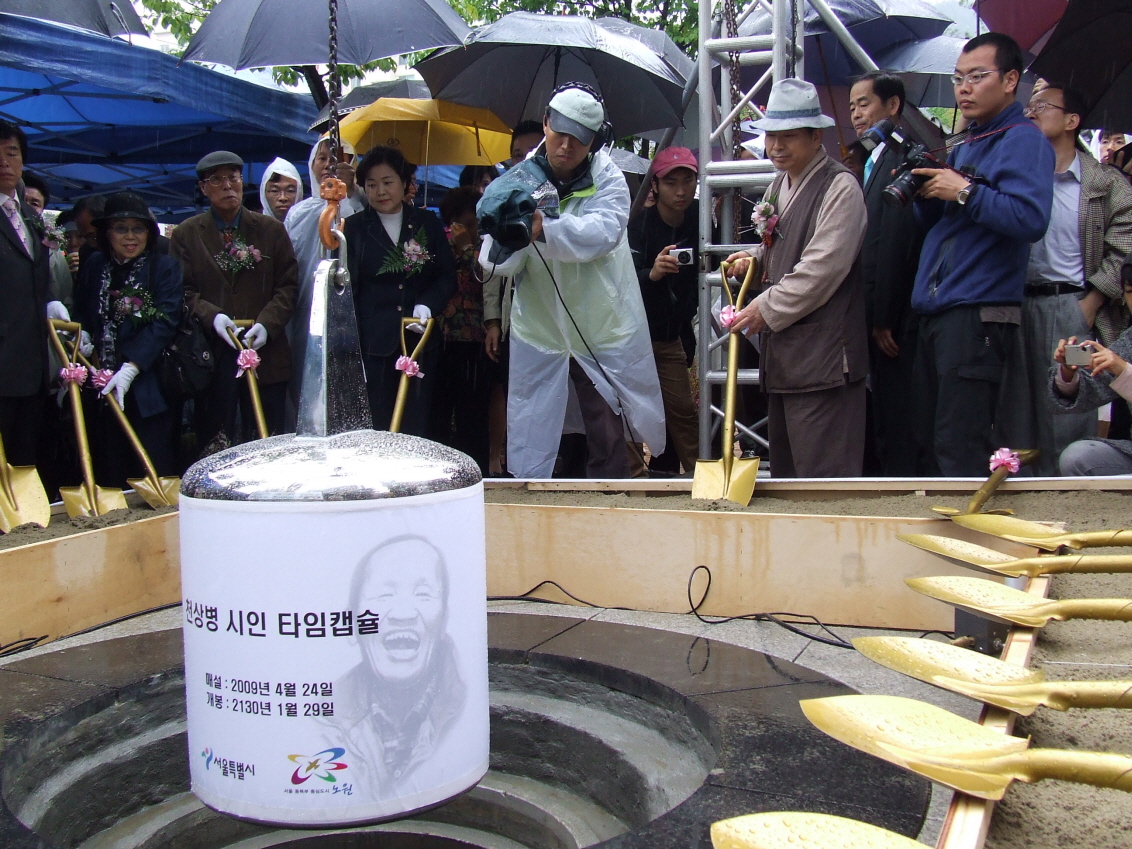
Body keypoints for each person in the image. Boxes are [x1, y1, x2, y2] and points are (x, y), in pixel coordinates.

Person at [478, 84, 665, 479]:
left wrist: (542, 228)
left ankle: (612, 498)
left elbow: (603, 232)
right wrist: (506, 235)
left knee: (606, 422)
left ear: (594, 140)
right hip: (540, 324)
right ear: (546, 123)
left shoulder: (608, 177)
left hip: (600, 324)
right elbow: (496, 262)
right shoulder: (518, 179)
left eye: (578, 138)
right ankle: (534, 498)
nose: (566, 146)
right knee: (533, 421)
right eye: (560, 133)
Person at [910, 32, 1055, 477]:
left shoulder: (1024, 139)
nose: (964, 88)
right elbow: (944, 228)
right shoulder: (969, 140)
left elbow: (1030, 218)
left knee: (960, 442)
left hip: (978, 310)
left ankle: (971, 522)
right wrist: (926, 193)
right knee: (927, 438)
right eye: (958, 79)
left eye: (977, 76)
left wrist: (965, 191)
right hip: (939, 307)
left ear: (1011, 80)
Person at [725, 79, 869, 478]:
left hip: (825, 359)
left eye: (788, 137)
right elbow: (782, 246)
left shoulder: (840, 186)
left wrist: (764, 308)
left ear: (815, 136)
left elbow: (822, 268)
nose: (776, 147)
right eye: (771, 136)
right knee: (788, 475)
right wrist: (754, 258)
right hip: (787, 356)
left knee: (823, 479)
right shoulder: (779, 183)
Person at [997, 84, 1132, 476]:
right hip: (1017, 303)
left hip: (1073, 307)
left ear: (1072, 120)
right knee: (1014, 409)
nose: (1031, 111)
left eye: (1042, 105)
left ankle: (1068, 492)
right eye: (1029, 105)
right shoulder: (1015, 176)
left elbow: (1125, 246)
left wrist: (1091, 303)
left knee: (1071, 405)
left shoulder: (1106, 182)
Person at [171, 150, 297, 451]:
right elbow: (182, 291)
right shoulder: (187, 234)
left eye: (233, 178)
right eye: (217, 180)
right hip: (211, 357)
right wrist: (213, 317)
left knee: (268, 444)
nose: (228, 186)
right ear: (203, 188)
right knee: (216, 445)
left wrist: (266, 325)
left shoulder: (271, 230)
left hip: (266, 354)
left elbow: (288, 286)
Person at [324, 536, 466, 795]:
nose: (403, 613)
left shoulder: (467, 708)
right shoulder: (323, 720)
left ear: (444, 619)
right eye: (384, 595)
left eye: (423, 594)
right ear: (351, 623)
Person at [73, 192, 182, 485]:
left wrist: (131, 367)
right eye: (121, 228)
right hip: (101, 383)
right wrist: (83, 334)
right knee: (110, 469)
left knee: (152, 470)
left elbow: (166, 320)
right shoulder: (95, 265)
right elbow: (82, 309)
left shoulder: (164, 267)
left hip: (149, 386)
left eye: (138, 229)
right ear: (107, 233)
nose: (130, 237)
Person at [344, 146, 455, 435]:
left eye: (387, 182)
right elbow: (349, 290)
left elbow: (446, 276)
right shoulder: (354, 229)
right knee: (377, 424)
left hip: (418, 341)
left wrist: (427, 305)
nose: (380, 191)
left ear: (404, 183)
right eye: (371, 184)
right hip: (374, 344)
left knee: (417, 422)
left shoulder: (426, 223)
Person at [848, 71, 926, 476]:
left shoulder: (903, 159)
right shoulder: (869, 158)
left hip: (892, 318)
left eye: (864, 104)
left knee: (895, 413)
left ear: (893, 105)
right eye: (852, 107)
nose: (856, 115)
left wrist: (883, 318)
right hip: (867, 311)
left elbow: (893, 243)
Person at [0, 120, 69, 467]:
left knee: (25, 459)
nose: (4, 162)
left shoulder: (32, 216)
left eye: (11, 153)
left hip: (33, 364)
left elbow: (36, 275)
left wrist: (51, 299)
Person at [628, 146, 700, 474]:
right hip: (635, 337)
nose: (681, 191)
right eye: (671, 182)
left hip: (673, 336)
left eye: (688, 181)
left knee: (683, 411)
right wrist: (653, 273)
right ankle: (632, 481)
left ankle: (702, 478)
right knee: (631, 411)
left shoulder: (700, 218)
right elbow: (623, 281)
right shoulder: (639, 225)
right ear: (655, 185)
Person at [284, 137, 364, 417]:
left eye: (337, 159)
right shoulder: (298, 212)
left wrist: (349, 193)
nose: (329, 165)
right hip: (305, 307)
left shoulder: (359, 206)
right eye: (322, 159)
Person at [430, 187, 491, 469]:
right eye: (463, 223)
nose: (469, 229)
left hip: (474, 337)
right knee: (439, 408)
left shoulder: (484, 248)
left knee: (473, 410)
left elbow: (484, 280)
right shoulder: (437, 245)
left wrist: (468, 248)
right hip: (441, 336)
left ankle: (476, 466)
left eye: (474, 223)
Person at [1051, 265, 1132, 475]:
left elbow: (1123, 371)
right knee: (1078, 458)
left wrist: (1124, 371)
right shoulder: (1129, 341)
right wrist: (1069, 372)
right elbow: (1094, 389)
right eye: (1130, 292)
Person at [258, 157, 303, 223]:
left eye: (290, 191)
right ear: (264, 194)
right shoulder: (252, 228)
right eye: (274, 191)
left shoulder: (311, 226)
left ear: (299, 193)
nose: (283, 198)